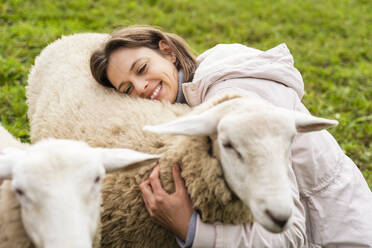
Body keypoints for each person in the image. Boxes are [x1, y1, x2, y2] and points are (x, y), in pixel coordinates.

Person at [90, 26, 372, 247]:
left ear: (167, 51)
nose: (140, 87)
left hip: (338, 236)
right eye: (126, 89)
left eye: (141, 69)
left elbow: (290, 232)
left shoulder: (242, 105)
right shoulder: (198, 89)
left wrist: (190, 227)